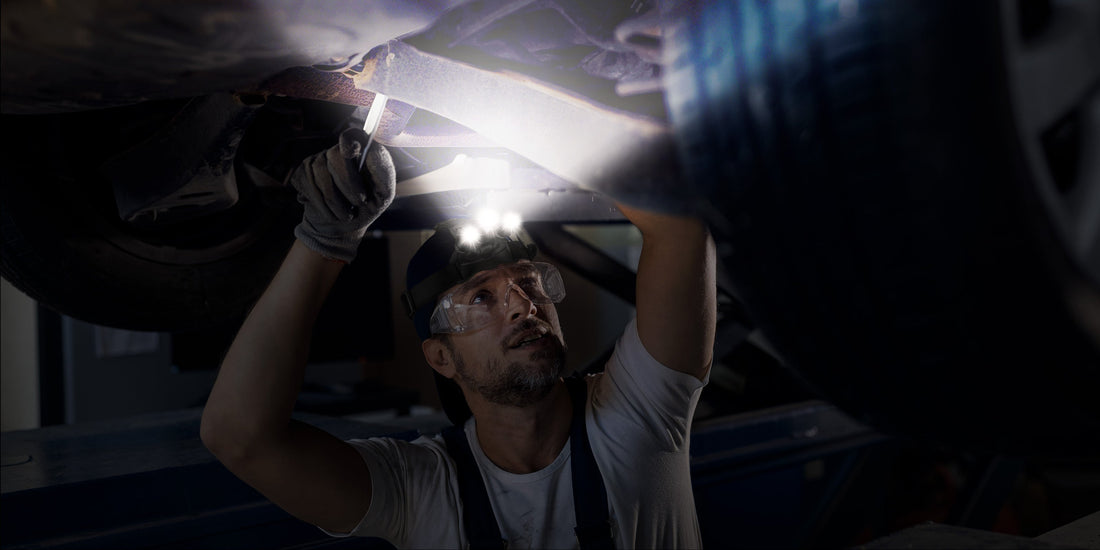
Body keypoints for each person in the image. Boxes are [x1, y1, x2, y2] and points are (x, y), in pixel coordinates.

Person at [200, 127, 716, 549]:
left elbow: (680, 228)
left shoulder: (641, 411)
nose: (522, 303)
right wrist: (324, 241)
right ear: (440, 356)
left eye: (528, 282)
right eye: (481, 297)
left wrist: (547, 136)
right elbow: (239, 439)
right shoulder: (422, 491)